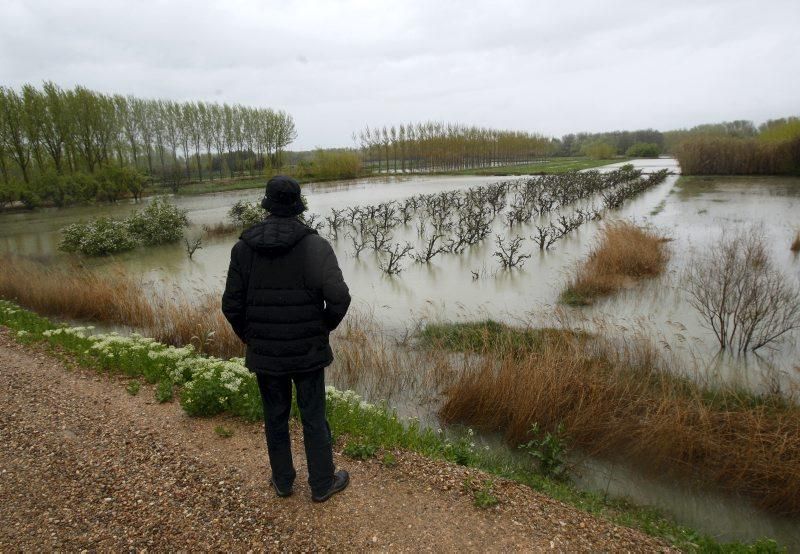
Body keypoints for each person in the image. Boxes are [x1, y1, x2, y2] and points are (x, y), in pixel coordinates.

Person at [222, 175, 351, 502]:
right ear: (298, 206)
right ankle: (322, 484)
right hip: (308, 351)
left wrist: (252, 337)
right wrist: (322, 328)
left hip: (265, 352)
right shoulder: (315, 245)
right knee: (313, 417)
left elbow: (231, 305)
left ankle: (283, 481)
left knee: (275, 417)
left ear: (266, 204)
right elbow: (339, 298)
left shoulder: (243, 249)